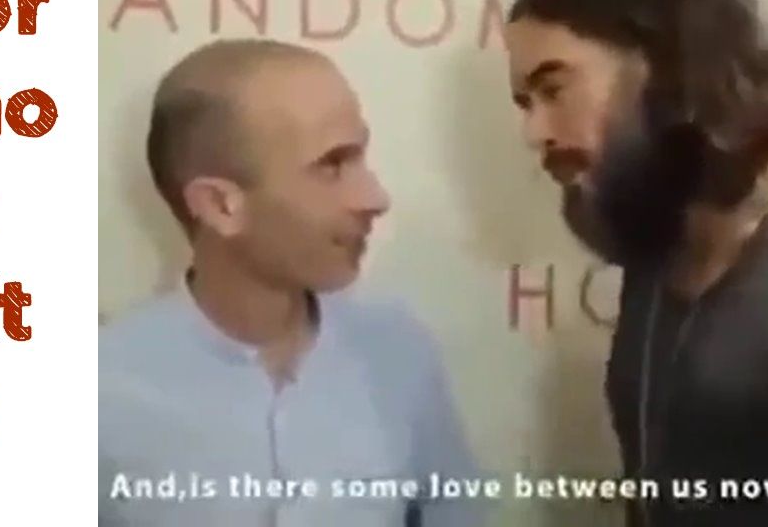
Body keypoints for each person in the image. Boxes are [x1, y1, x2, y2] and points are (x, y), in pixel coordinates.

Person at [99, 39, 482, 526]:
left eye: (360, 158)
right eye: (332, 165)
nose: (375, 197)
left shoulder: (399, 352)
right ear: (220, 206)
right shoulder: (101, 387)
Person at [504, 0, 768, 526]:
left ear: (666, 67)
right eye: (525, 103)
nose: (535, 133)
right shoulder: (655, 241)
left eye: (554, 89)